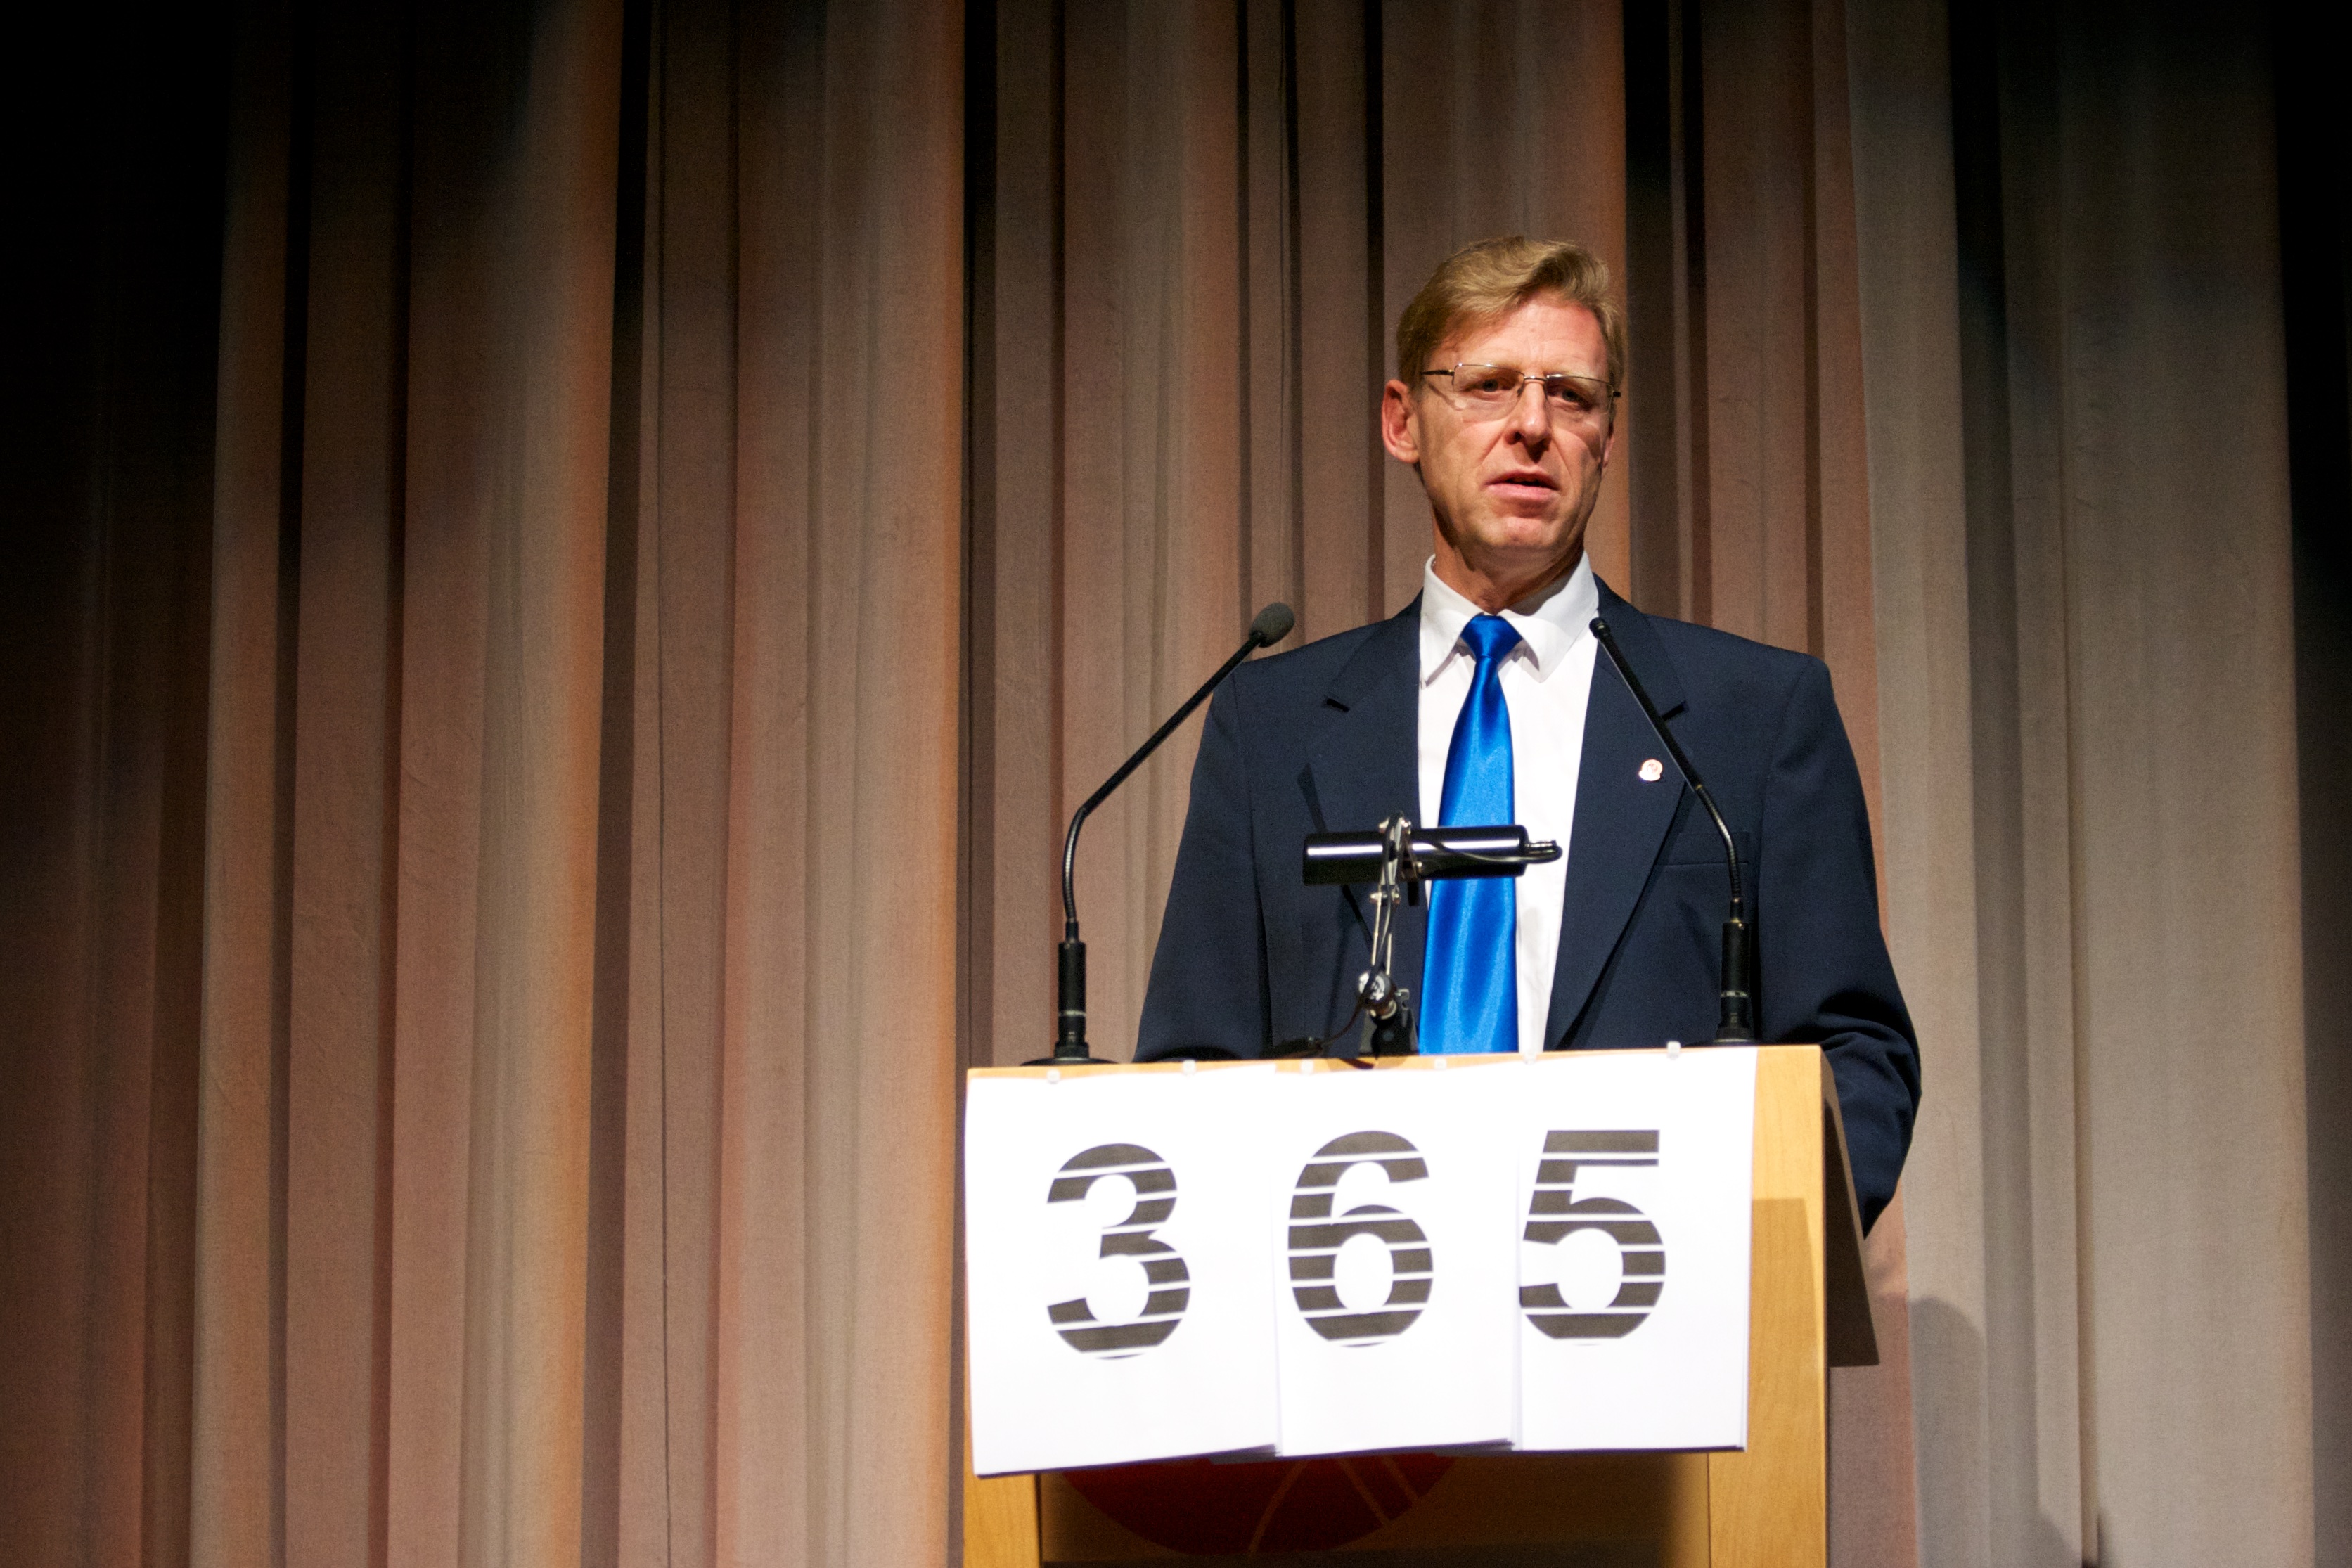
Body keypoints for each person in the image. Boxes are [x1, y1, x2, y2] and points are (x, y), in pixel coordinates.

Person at [1133, 236, 1918, 1228]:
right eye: (1489, 385)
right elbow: (1193, 1065)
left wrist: (1744, 1241)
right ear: (1402, 421)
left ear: (1607, 436)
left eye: (1572, 396)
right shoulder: (1270, 727)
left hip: (1646, 1288)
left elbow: (1855, 1058)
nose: (1533, 427)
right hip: (1354, 1289)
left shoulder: (1751, 717)